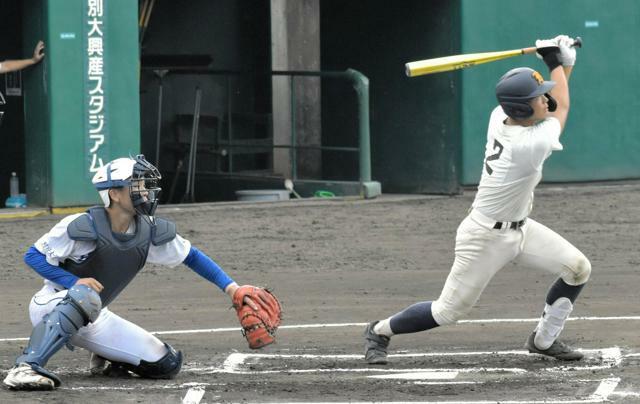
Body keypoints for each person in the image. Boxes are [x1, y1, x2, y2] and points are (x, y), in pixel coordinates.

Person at [364, 35, 590, 364]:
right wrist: (558, 62)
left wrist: (557, 64)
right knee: (448, 311)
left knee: (578, 268)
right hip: (484, 237)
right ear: (523, 108)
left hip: (521, 229)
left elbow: (552, 101)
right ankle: (379, 330)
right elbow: (562, 105)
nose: (545, 101)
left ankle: (544, 340)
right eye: (537, 98)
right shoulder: (529, 145)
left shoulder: (501, 115)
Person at [3, 154, 262, 390]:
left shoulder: (148, 231)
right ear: (114, 194)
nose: (146, 191)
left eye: (146, 185)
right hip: (51, 305)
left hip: (94, 315)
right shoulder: (81, 225)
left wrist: (232, 288)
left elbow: (191, 256)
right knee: (86, 296)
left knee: (165, 363)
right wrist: (73, 281)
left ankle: (109, 354)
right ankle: (25, 367)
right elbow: (33, 256)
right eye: (136, 185)